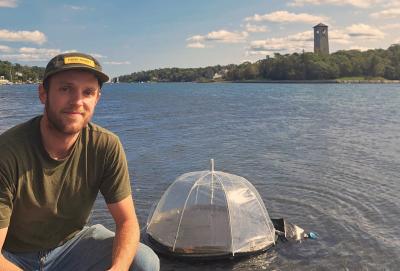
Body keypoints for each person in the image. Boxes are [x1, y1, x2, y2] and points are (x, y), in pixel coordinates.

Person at [0, 52, 160, 271]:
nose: (77, 102)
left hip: (70, 246)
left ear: (97, 99)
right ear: (43, 94)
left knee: (144, 261)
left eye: (88, 92)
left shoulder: (105, 145)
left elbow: (127, 222)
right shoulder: (8, 151)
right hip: (13, 255)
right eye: (65, 89)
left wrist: (118, 269)